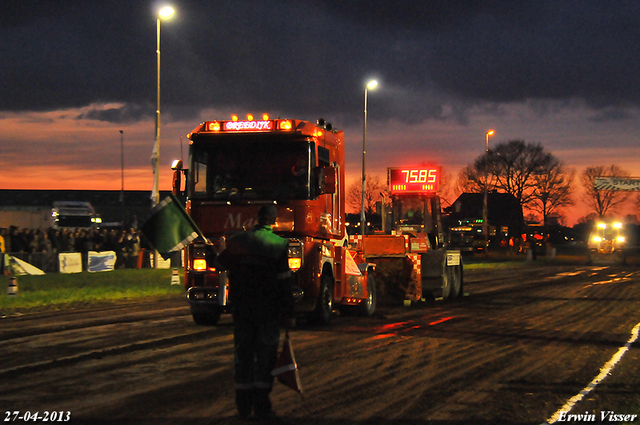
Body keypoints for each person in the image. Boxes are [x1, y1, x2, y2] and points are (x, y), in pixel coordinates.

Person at [216, 204, 295, 421]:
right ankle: (262, 406)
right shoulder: (279, 244)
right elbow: (284, 282)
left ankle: (242, 407)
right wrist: (289, 312)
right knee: (266, 356)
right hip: (268, 309)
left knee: (243, 356)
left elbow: (220, 263)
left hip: (242, 308)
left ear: (257, 219)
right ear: (273, 221)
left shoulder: (239, 241)